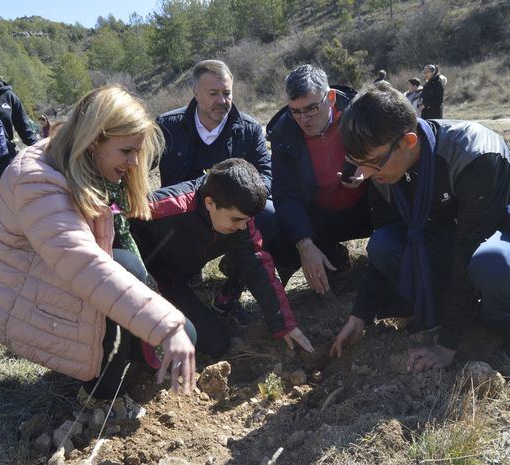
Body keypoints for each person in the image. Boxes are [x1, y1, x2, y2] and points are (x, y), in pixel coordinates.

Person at [330, 82, 510, 372]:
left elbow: (467, 250)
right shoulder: (380, 170)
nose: (365, 173)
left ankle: (504, 321)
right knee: (383, 245)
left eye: (372, 163)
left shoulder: (473, 154)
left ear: (408, 141)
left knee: (490, 264)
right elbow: (385, 239)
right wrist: (361, 315)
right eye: (357, 163)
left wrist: (446, 347)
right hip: (448, 232)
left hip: (506, 230)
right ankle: (443, 311)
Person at [0, 85, 196, 418]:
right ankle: (99, 396)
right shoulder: (37, 182)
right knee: (129, 274)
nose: (135, 163)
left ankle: (105, 360)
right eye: (126, 151)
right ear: (95, 140)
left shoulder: (90, 168)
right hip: (19, 301)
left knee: (184, 330)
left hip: (53, 284)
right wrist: (165, 326)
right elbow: (85, 265)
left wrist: (169, 326)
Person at [130, 158, 314, 357]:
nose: (243, 226)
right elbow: (117, 217)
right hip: (142, 282)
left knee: (215, 344)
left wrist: (284, 324)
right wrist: (144, 282)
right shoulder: (166, 206)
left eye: (246, 220)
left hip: (175, 282)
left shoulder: (240, 219)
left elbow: (258, 267)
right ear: (210, 203)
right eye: (236, 219)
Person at [155, 59, 275, 321]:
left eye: (227, 93)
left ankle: (233, 287)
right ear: (196, 93)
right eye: (213, 94)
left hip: (232, 217)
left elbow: (266, 175)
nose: (222, 100)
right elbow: (137, 168)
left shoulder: (249, 129)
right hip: (182, 218)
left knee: (269, 214)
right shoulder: (167, 127)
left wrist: (239, 198)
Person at [268, 64, 373, 295]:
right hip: (322, 218)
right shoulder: (283, 134)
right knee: (281, 234)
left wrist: (369, 169)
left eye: (311, 109)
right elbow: (286, 196)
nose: (303, 119)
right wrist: (305, 245)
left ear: (332, 97)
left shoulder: (362, 113)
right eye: (295, 111)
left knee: (385, 249)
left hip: (371, 207)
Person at [0, 53, 38, 180]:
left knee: (13, 194)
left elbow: (23, 126)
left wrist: (37, 147)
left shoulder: (9, 96)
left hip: (6, 155)